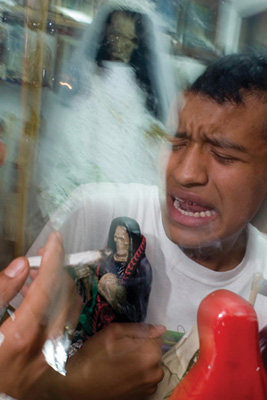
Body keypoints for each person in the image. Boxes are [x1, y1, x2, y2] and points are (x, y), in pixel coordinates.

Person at [24, 52, 267, 398]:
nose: (184, 173)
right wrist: (69, 382)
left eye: (223, 155)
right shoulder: (95, 213)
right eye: (176, 143)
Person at [35, 0, 176, 219]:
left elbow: (155, 148)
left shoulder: (144, 96)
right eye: (115, 34)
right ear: (106, 35)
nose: (120, 43)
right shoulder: (88, 89)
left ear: (138, 42)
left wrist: (153, 138)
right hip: (92, 191)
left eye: (128, 37)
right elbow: (70, 149)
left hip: (134, 193)